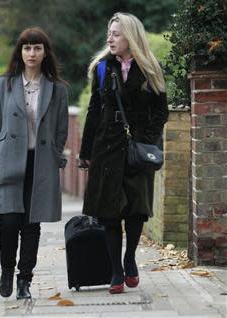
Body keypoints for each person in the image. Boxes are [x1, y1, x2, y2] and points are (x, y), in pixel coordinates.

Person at [79, 12, 168, 294]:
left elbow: (160, 111)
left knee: (136, 210)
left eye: (116, 33)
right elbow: (94, 111)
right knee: (108, 212)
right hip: (107, 147)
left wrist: (147, 141)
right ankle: (116, 271)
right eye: (109, 33)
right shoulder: (103, 68)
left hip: (137, 149)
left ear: (131, 36)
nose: (110, 38)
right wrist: (85, 152)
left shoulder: (151, 67)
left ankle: (130, 259)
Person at [0, 27, 69, 299]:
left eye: (37, 48)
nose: (31, 53)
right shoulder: (3, 84)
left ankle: (24, 280)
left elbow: (61, 128)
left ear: (44, 52)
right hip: (6, 163)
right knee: (8, 222)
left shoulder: (58, 89)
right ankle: (7, 270)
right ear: (20, 52)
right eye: (27, 48)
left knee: (32, 225)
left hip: (40, 165)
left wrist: (54, 153)